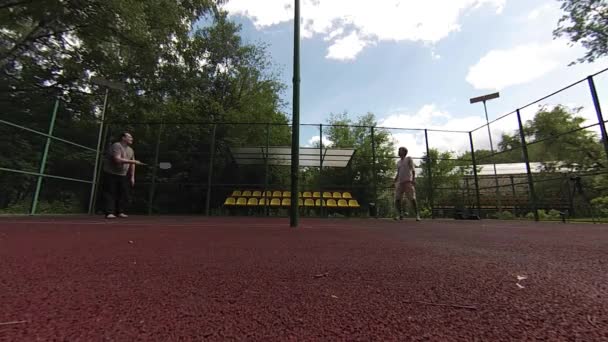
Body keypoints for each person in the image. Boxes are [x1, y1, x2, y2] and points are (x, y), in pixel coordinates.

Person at [102, 132, 143, 219]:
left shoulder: (131, 150)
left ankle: (120, 212)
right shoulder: (116, 145)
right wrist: (133, 162)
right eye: (130, 137)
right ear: (123, 138)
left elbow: (133, 165)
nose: (132, 139)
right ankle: (109, 213)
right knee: (110, 193)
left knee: (123, 194)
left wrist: (132, 177)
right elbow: (117, 159)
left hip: (123, 175)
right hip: (110, 173)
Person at [394, 147, 421, 221]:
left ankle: (417, 215)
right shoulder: (398, 162)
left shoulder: (408, 159)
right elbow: (398, 172)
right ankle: (400, 215)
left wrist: (413, 179)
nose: (398, 152)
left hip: (408, 182)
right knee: (397, 199)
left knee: (412, 198)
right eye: (398, 150)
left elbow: (413, 169)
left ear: (404, 152)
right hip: (400, 183)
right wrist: (395, 180)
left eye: (400, 150)